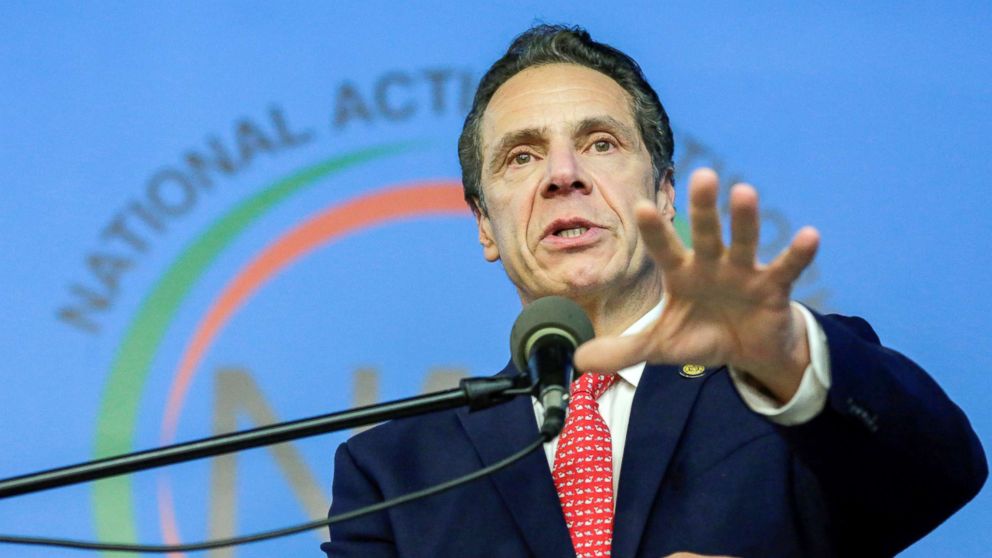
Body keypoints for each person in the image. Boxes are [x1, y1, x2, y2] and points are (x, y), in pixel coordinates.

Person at [321, 24, 986, 557]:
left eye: (601, 143)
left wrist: (785, 353)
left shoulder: (779, 379)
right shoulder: (394, 477)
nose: (562, 174)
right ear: (485, 226)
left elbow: (940, 476)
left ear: (664, 193)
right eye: (521, 156)